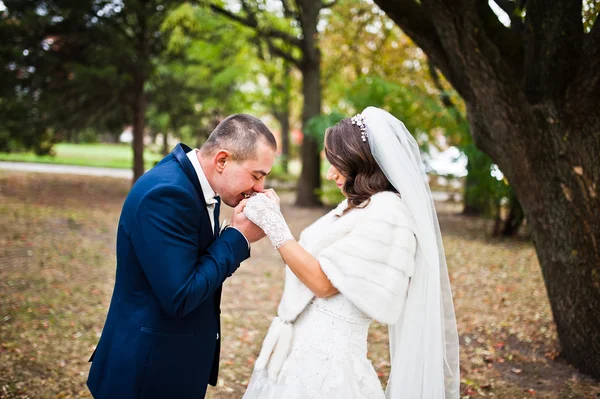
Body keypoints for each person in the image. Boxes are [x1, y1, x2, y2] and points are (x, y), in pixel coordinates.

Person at [241, 107, 460, 398]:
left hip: (330, 367)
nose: (331, 174)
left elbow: (323, 283)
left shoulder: (388, 212)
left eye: (337, 164)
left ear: (361, 162)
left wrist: (275, 225)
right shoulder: (356, 207)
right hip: (299, 354)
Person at [87, 114, 277, 399]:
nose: (260, 187)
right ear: (222, 160)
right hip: (147, 373)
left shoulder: (191, 183)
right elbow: (180, 296)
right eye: (256, 175)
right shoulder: (168, 194)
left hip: (168, 363)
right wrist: (239, 237)